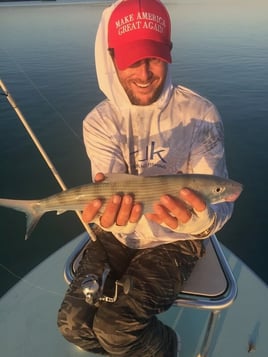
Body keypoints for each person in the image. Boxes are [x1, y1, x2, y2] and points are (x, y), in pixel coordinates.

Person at [57, 0, 234, 356]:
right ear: (112, 57)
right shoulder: (98, 122)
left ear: (168, 52)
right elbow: (106, 186)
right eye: (131, 59)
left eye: (152, 57)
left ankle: (165, 346)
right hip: (118, 234)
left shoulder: (200, 114)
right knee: (72, 324)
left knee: (115, 328)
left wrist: (198, 219)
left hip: (176, 241)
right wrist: (104, 211)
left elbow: (221, 207)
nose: (143, 73)